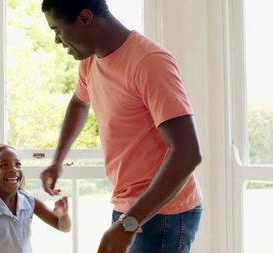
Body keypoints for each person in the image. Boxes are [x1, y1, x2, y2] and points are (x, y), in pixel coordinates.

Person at [39, 0, 203, 252]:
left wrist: (131, 222)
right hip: (129, 207)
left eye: (58, 30)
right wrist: (58, 160)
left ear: (84, 18)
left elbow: (188, 153)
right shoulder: (91, 59)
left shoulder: (149, 62)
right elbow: (80, 103)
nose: (57, 41)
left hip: (163, 213)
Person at [0, 144, 71, 253]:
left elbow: (63, 227)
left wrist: (64, 216)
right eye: (4, 165)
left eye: (18, 164)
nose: (13, 169)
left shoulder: (29, 202)